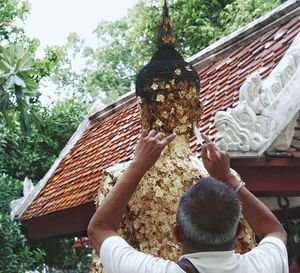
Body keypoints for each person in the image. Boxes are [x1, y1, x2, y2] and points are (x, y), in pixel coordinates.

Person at [88, 130, 288, 273]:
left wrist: (136, 166)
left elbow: (99, 228)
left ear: (176, 233)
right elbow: (274, 230)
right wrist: (228, 177)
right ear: (239, 232)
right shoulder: (262, 266)